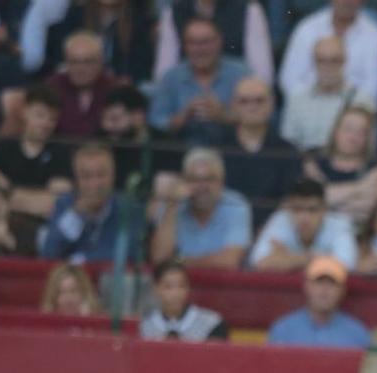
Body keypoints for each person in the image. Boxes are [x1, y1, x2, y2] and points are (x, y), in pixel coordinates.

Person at [149, 16, 249, 145]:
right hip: (181, 150)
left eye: (205, 42)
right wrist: (184, 116)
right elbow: (156, 122)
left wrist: (223, 115)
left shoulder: (241, 74)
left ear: (219, 42)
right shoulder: (171, 77)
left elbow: (261, 118)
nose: (200, 49)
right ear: (184, 46)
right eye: (192, 43)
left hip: (231, 150)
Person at [278, 0, 377, 112]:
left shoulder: (375, 35)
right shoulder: (307, 28)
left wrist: (342, 114)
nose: (347, 2)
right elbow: (289, 80)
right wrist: (312, 106)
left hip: (353, 113)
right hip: (308, 109)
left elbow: (373, 91)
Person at [215, 75, 296, 225]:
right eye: (244, 101)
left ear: (272, 105)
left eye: (259, 101)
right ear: (233, 106)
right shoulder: (217, 150)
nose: (252, 107)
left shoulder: (288, 152)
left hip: (272, 231)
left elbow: (290, 200)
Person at [0, 81, 71, 220]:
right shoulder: (2, 149)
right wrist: (35, 199)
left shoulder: (62, 154)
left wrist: (9, 192)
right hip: (0, 223)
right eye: (40, 115)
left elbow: (53, 206)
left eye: (52, 119)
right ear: (25, 112)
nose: (46, 124)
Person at [149, 145, 250, 265]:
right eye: (194, 179)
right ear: (185, 182)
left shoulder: (236, 206)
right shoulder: (173, 204)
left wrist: (180, 261)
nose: (202, 187)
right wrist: (172, 205)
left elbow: (229, 261)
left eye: (209, 179)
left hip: (217, 278)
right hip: (181, 277)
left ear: (221, 182)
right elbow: (159, 258)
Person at [24, 0, 156, 83]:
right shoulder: (74, 17)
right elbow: (59, 61)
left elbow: (141, 69)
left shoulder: (140, 22)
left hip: (119, 93)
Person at [37, 138, 124, 260]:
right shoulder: (64, 204)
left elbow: (126, 254)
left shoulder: (128, 208)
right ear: (76, 179)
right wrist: (76, 214)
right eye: (86, 176)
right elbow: (48, 253)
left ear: (113, 175)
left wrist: (78, 262)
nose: (94, 184)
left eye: (101, 175)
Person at [280, 33, 369, 152]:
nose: (328, 66)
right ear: (313, 62)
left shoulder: (362, 100)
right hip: (305, 161)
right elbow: (288, 147)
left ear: (344, 61)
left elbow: (367, 150)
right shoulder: (297, 100)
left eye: (334, 60)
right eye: (321, 60)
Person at [303, 101, 377, 226]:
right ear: (335, 130)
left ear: (368, 138)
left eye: (361, 132)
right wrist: (360, 188)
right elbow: (310, 201)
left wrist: (330, 199)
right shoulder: (313, 160)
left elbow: (369, 209)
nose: (353, 137)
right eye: (348, 129)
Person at [152, 0, 272, 86]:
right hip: (186, 94)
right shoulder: (174, 12)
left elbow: (262, 75)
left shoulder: (249, 10)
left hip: (235, 92)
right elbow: (163, 74)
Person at [248, 175, 356, 269]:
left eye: (312, 210)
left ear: (324, 210)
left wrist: (288, 259)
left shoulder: (339, 225)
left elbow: (347, 265)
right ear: (288, 209)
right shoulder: (280, 220)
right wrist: (319, 258)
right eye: (297, 209)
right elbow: (258, 262)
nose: (304, 217)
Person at [265, 252, 369, 348]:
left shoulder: (358, 335)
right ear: (307, 286)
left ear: (342, 291)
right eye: (319, 282)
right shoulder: (283, 331)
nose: (325, 289)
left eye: (332, 283)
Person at [44, 30, 121, 138]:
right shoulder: (51, 88)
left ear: (100, 62)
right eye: (74, 62)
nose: (80, 69)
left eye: (87, 62)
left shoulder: (115, 89)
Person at [139, 256, 229, 338]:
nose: (176, 293)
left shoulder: (212, 323)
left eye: (182, 285)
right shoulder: (145, 325)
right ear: (156, 289)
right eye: (168, 286)